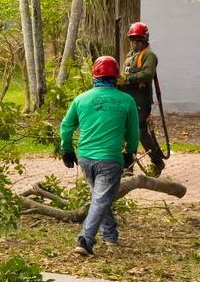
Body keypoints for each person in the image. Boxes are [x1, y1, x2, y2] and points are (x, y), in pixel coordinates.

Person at [59, 55, 140, 257]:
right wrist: (130, 152)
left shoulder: (81, 99)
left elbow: (66, 127)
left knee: (100, 198)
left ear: (94, 75)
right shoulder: (127, 100)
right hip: (110, 159)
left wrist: (67, 149)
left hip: (85, 158)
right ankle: (85, 240)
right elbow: (133, 132)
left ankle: (110, 235)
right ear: (116, 77)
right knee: (101, 199)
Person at [118, 21, 166, 175]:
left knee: (140, 132)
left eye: (138, 39)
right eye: (132, 39)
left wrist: (127, 79)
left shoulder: (149, 55)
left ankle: (157, 162)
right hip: (127, 99)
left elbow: (147, 74)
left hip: (141, 101)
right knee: (126, 131)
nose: (135, 42)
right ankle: (128, 166)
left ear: (145, 39)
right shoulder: (130, 56)